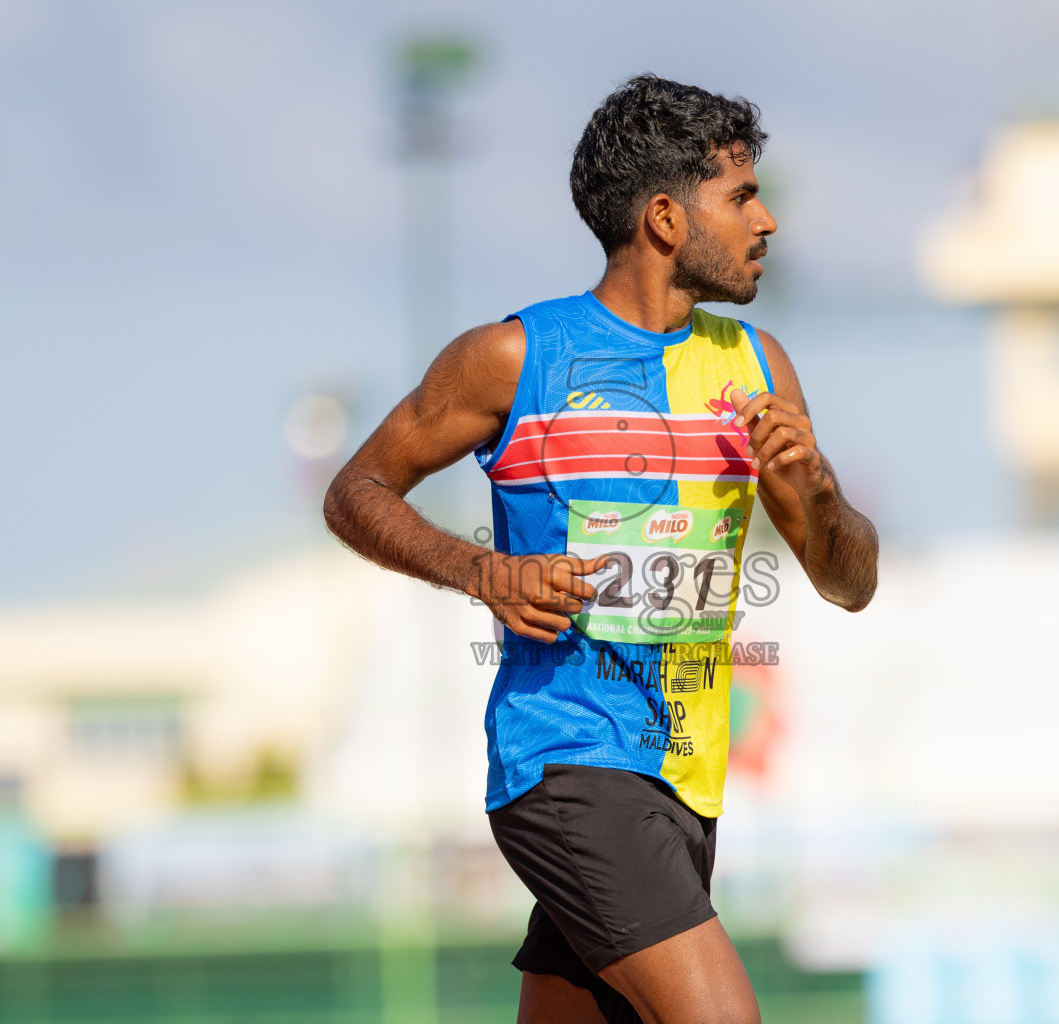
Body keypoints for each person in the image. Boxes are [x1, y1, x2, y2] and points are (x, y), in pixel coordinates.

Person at [324, 74, 878, 1024]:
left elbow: (848, 583)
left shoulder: (758, 366)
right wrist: (481, 571)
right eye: (741, 196)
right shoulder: (512, 358)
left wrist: (820, 492)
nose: (768, 220)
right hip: (567, 765)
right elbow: (355, 491)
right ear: (666, 217)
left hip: (687, 783)